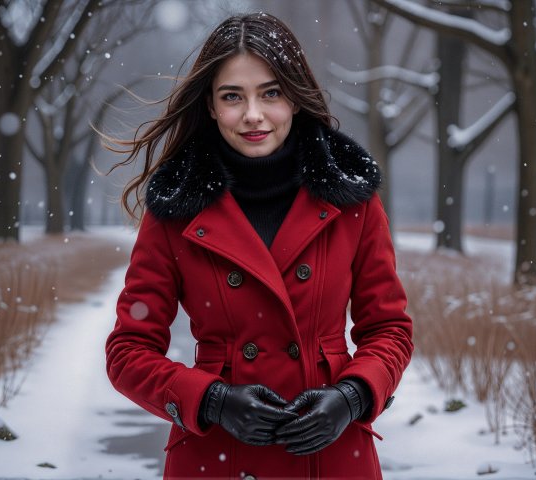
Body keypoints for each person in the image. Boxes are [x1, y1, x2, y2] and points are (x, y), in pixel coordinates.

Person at [105, 12, 413, 480]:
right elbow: (128, 351)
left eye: (270, 93)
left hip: (330, 456)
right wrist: (212, 400)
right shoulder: (176, 209)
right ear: (210, 106)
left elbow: (389, 329)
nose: (253, 114)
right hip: (217, 458)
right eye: (233, 97)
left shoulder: (351, 199)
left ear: (294, 96)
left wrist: (352, 397)